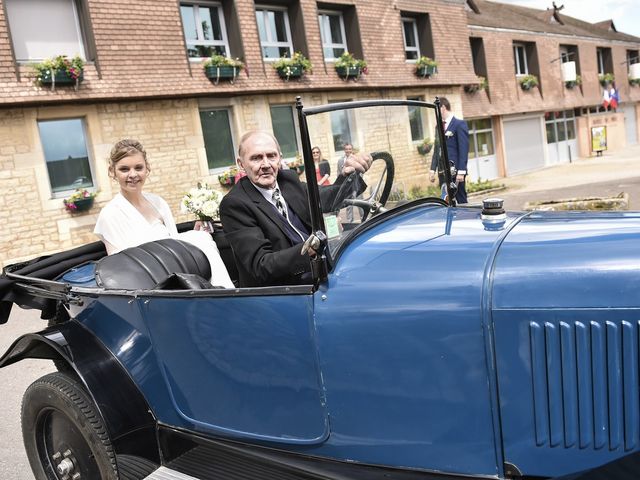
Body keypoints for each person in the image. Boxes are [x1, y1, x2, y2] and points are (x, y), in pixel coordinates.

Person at [219, 131, 372, 287]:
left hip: (322, 272)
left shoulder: (287, 181)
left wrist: (349, 175)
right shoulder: (235, 204)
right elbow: (261, 265)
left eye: (271, 156)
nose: (266, 165)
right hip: (284, 290)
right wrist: (313, 247)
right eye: (256, 158)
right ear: (241, 164)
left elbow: (327, 199)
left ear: (279, 158)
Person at [94, 139, 234, 288]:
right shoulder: (110, 214)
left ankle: (224, 290)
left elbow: (173, 241)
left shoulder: (158, 202)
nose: (133, 174)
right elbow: (120, 267)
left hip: (179, 272)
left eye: (138, 167)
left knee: (200, 236)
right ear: (112, 172)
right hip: (150, 283)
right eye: (124, 169)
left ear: (147, 169)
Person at [429, 97, 470, 204]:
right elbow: (437, 148)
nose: (436, 112)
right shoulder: (438, 126)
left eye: (437, 108)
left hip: (456, 171)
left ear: (443, 107)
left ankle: (464, 219)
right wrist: (433, 169)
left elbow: (463, 149)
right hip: (443, 171)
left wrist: (461, 171)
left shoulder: (459, 124)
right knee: (445, 200)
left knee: (460, 199)